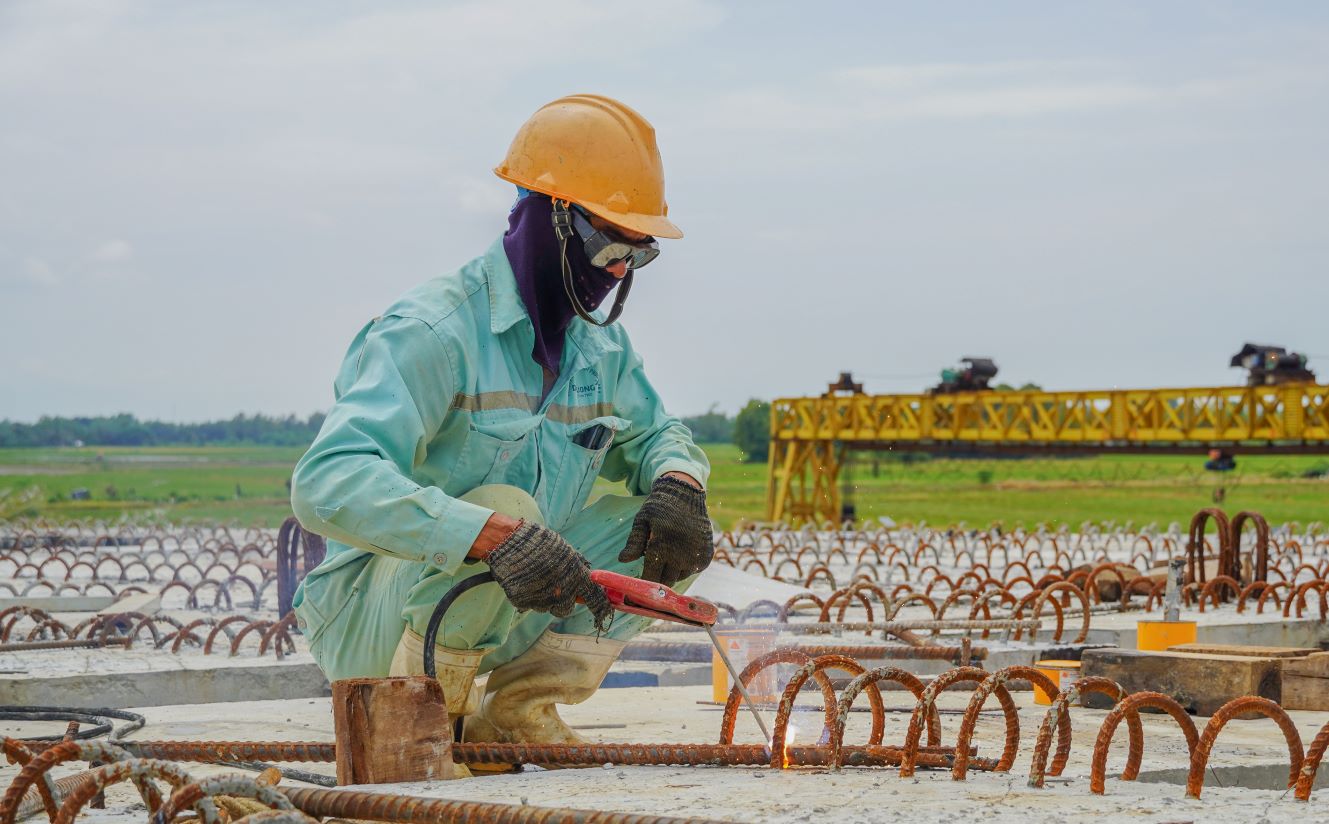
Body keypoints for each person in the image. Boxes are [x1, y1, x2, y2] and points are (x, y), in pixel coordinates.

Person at [289, 95, 713, 757]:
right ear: (549, 219)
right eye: (608, 243)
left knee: (666, 528)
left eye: (637, 254)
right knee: (507, 513)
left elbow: (657, 435)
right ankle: (419, 729)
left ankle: (515, 712)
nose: (618, 270)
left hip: (507, 605)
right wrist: (486, 533)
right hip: (375, 616)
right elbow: (326, 482)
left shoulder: (600, 348)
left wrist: (680, 481)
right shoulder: (434, 331)